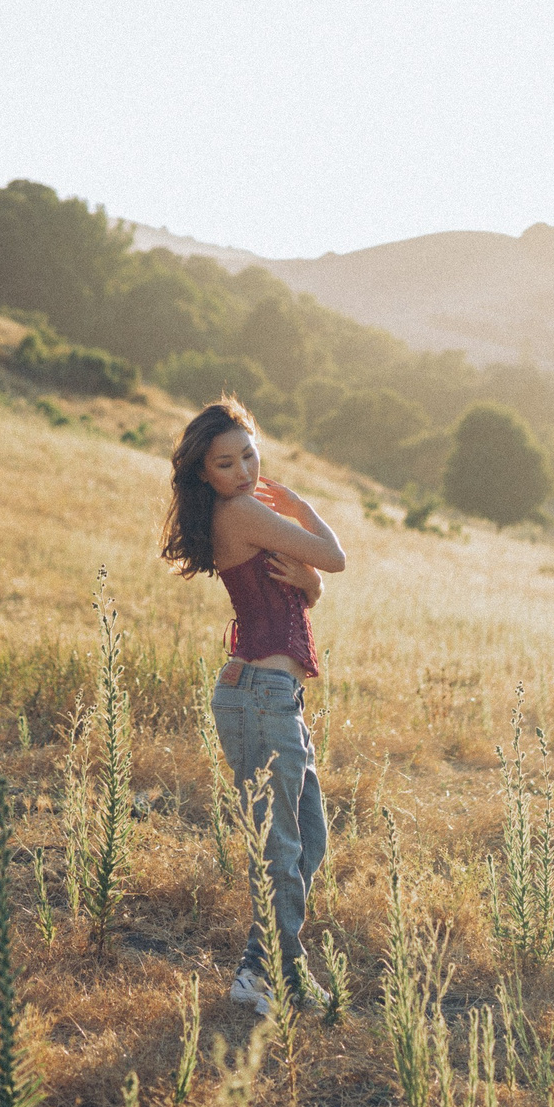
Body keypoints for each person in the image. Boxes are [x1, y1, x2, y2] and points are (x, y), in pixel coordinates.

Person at [159, 397, 347, 1016]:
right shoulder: (242, 511)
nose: (243, 471)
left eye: (249, 455)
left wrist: (310, 583)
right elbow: (334, 558)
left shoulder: (239, 513)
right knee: (282, 848)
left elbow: (307, 590)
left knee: (307, 837)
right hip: (259, 696)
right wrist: (301, 507)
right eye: (225, 463)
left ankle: (260, 968)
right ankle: (274, 977)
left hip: (273, 695)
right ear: (203, 473)